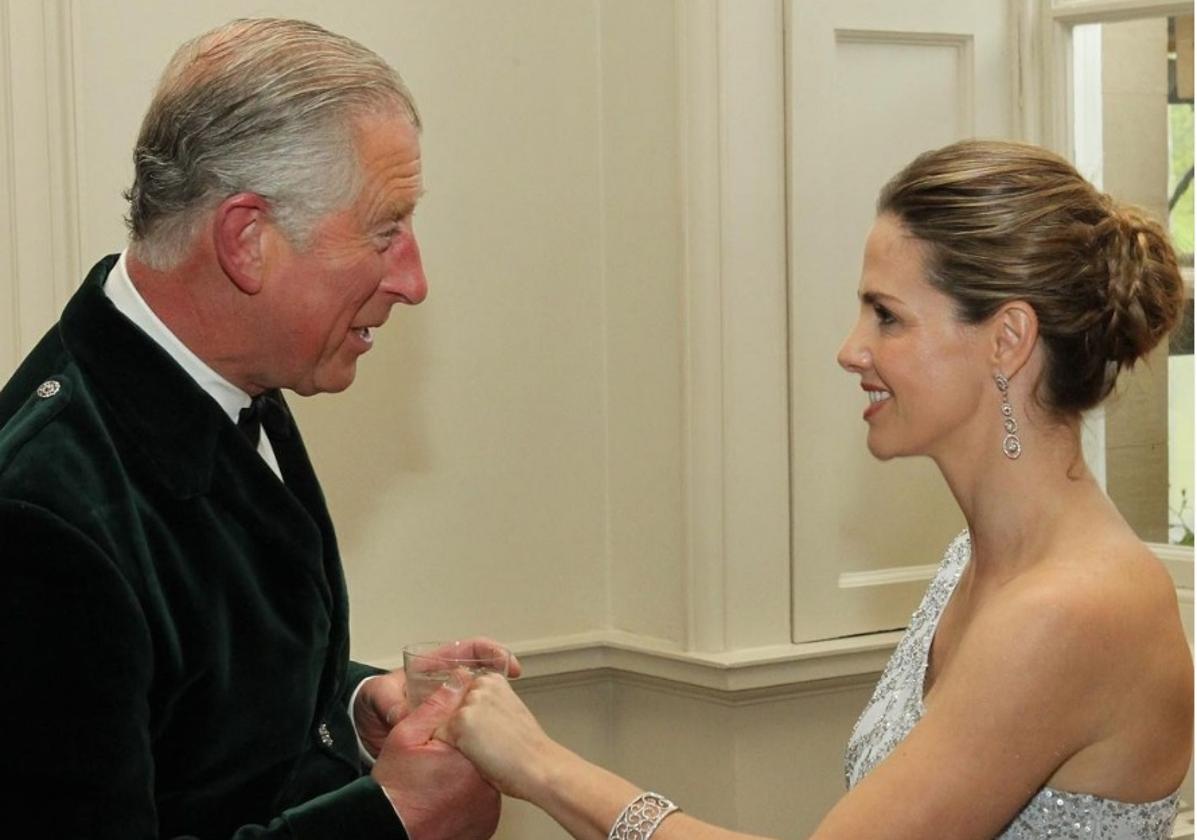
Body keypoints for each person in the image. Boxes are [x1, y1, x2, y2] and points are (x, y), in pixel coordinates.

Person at [437, 139, 1194, 839]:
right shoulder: (974, 560)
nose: (850, 349)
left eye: (886, 316)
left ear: (1006, 339)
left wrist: (542, 766)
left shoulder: (1070, 609)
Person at [0, 17, 513, 840]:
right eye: (386, 230)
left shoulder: (227, 376)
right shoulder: (40, 518)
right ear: (247, 240)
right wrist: (392, 822)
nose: (413, 280)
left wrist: (352, 702)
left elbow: (178, 685)